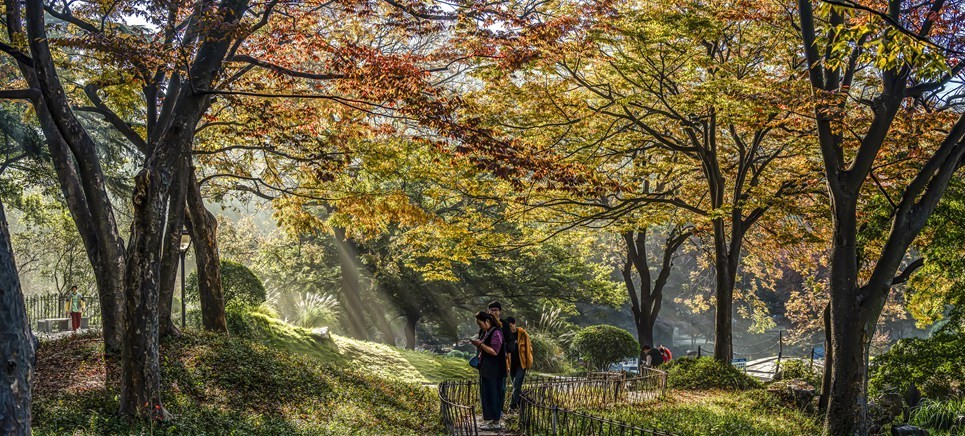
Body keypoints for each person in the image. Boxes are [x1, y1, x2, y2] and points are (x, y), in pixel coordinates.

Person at [471, 311, 505, 430]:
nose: (479, 326)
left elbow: (495, 351)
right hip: (486, 369)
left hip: (494, 370)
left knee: (494, 394)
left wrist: (480, 345)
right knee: (487, 395)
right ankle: (489, 420)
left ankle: (496, 422)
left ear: (487, 321)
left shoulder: (496, 332)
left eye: (480, 324)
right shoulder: (486, 332)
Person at [505, 317, 533, 412]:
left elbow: (529, 349)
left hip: (522, 364)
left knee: (517, 384)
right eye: (508, 327)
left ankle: (512, 406)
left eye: (510, 326)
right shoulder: (506, 335)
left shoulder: (522, 334)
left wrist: (529, 362)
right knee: (516, 387)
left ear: (514, 324)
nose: (510, 328)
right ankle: (523, 404)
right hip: (511, 364)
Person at [487, 301, 511, 412]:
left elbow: (509, 341)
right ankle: (490, 409)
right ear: (488, 311)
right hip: (488, 358)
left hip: (501, 358)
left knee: (501, 385)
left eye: (496, 310)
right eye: (491, 310)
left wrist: (507, 355)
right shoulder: (485, 323)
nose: (493, 312)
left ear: (500, 312)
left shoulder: (505, 324)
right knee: (488, 385)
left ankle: (499, 409)